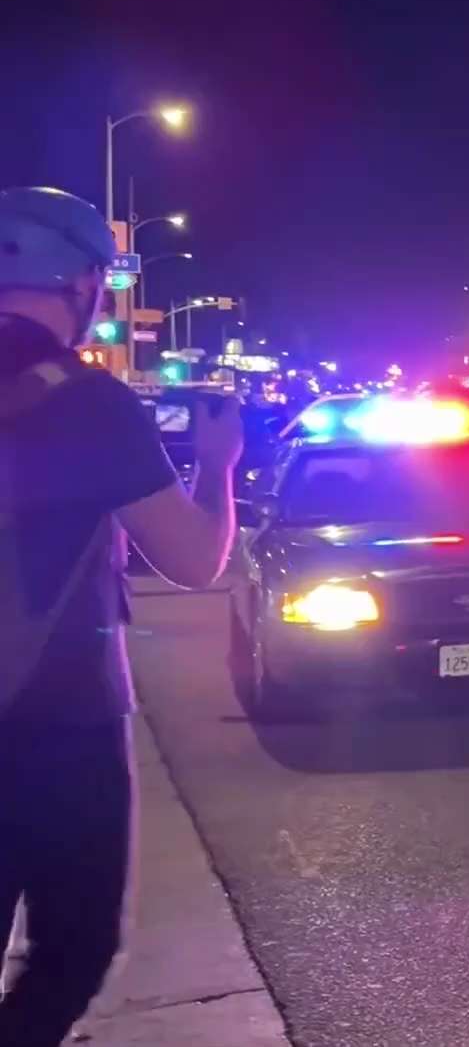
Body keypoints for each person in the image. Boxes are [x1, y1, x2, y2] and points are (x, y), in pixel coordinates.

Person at [0, 187, 242, 1047]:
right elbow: (196, 558)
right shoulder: (91, 405)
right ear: (85, 286)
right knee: (73, 947)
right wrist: (219, 465)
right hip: (56, 724)